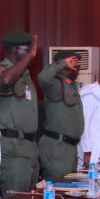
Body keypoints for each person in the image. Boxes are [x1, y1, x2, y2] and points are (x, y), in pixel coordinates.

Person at [0, 30, 40, 197]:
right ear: (15, 50)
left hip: (29, 149)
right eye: (27, 49)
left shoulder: (25, 75)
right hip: (13, 149)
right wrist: (30, 56)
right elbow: (5, 81)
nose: (32, 55)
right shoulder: (2, 69)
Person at [38, 50, 84, 181]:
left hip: (70, 148)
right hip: (57, 148)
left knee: (68, 190)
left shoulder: (70, 85)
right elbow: (43, 77)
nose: (77, 69)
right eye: (74, 65)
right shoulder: (55, 85)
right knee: (58, 191)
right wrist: (62, 63)